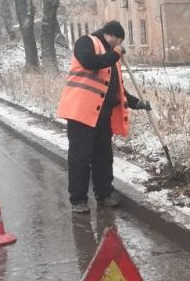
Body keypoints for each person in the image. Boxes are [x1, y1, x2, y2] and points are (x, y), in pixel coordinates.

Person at [57, 21, 151, 214]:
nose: (119, 46)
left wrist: (137, 104)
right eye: (119, 41)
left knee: (103, 156)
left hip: (102, 116)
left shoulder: (112, 60)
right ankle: (78, 200)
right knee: (80, 158)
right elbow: (90, 62)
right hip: (81, 113)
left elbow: (117, 91)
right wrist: (115, 54)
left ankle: (104, 194)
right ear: (113, 36)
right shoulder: (86, 42)